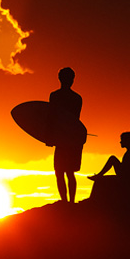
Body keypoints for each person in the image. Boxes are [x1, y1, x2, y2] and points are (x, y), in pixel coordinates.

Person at [47, 67, 85, 203]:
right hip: (70, 138)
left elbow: (53, 118)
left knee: (63, 172)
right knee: (66, 172)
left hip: (65, 138)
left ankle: (67, 202)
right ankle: (68, 202)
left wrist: (50, 136)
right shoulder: (76, 98)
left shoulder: (56, 96)